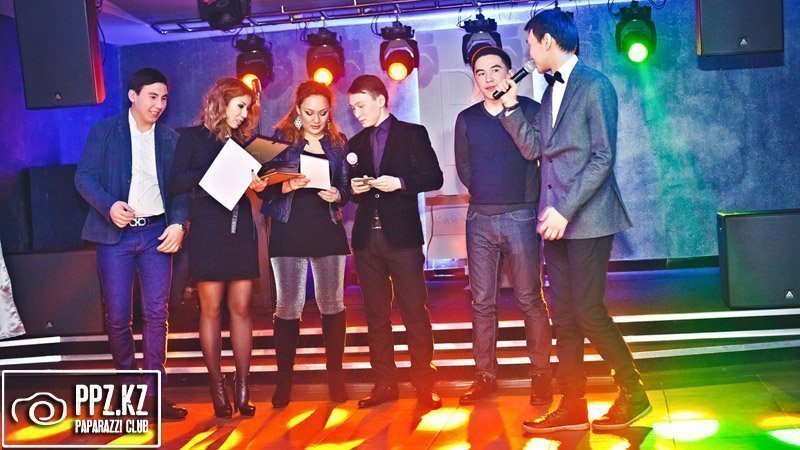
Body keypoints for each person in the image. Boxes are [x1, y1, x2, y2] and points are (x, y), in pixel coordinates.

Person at [496, 9, 650, 433]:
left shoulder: (595, 85)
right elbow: (536, 151)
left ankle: (634, 393)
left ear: (548, 41)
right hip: (555, 221)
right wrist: (510, 107)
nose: (528, 52)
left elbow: (603, 157)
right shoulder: (549, 94)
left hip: (588, 218)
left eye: (530, 43)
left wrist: (565, 210)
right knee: (563, 316)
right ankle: (573, 404)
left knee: (587, 311)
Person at [75, 67, 189, 420]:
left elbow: (181, 190)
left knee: (157, 315)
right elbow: (84, 177)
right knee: (118, 317)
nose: (159, 104)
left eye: (164, 98)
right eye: (152, 96)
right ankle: (130, 394)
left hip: (156, 234)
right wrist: (109, 206)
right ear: (133, 95)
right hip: (116, 236)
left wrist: (178, 224)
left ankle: (154, 396)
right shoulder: (105, 131)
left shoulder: (170, 139)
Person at [454, 46, 552, 406]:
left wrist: (510, 107)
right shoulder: (467, 118)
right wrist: (484, 195)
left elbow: (533, 153)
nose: (488, 78)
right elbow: (465, 169)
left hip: (520, 216)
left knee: (529, 299)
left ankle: (541, 375)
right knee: (482, 302)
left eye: (495, 70)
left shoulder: (531, 110)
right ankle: (484, 376)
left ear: (510, 73)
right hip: (479, 218)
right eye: (480, 73)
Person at [347, 75, 444, 410]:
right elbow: (350, 190)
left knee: (414, 312)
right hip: (365, 240)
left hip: (402, 239)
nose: (357, 113)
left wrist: (400, 183)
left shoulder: (412, 133)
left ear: (380, 100)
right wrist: (353, 189)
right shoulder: (356, 142)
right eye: (353, 108)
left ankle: (424, 385)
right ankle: (384, 384)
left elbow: (435, 177)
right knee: (376, 316)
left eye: (361, 105)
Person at [170, 78, 265, 418]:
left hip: (239, 228)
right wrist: (211, 170)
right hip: (207, 229)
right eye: (240, 106)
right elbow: (175, 183)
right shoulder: (192, 138)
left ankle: (243, 385)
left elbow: (255, 184)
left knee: (242, 308)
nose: (244, 114)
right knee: (210, 309)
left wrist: (259, 183)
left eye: (248, 108)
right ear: (220, 103)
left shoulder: (245, 142)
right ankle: (217, 384)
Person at [260, 81, 351, 408]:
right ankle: (284, 380)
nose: (316, 119)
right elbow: (261, 187)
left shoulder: (338, 143)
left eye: (323, 113)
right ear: (297, 110)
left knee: (332, 304)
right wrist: (287, 186)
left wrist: (338, 195)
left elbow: (346, 187)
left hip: (327, 229)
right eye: (309, 113)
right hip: (289, 229)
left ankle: (335, 375)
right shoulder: (279, 139)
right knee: (288, 306)